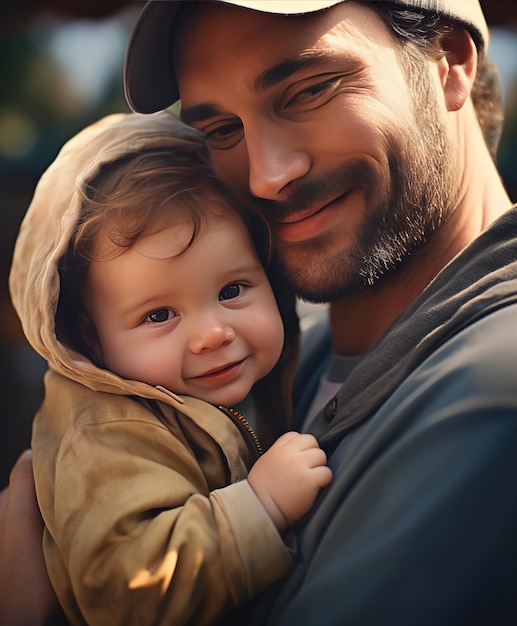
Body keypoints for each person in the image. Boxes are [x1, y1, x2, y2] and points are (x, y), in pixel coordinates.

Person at [3, 0, 517, 623]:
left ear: (450, 60)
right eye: (220, 130)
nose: (267, 176)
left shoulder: (491, 390)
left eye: (308, 91)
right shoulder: (285, 358)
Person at [7, 110, 332, 626]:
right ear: (90, 336)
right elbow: (127, 592)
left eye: (232, 290)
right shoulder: (107, 435)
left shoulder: (255, 378)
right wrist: (260, 505)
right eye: (159, 315)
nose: (212, 334)